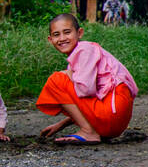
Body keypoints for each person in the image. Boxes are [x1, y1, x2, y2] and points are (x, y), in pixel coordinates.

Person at [36, 14, 139, 144]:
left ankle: (87, 132)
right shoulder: (78, 56)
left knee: (56, 79)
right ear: (50, 40)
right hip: (115, 122)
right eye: (56, 35)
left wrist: (67, 74)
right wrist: (61, 124)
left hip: (111, 113)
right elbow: (85, 101)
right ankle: (89, 130)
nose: (62, 38)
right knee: (63, 78)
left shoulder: (85, 49)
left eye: (67, 32)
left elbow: (85, 90)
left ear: (80, 33)